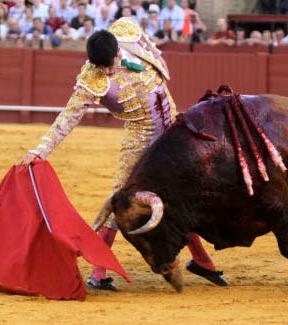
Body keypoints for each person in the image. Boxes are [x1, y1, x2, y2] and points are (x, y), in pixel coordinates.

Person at [21, 17, 227, 290]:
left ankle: (201, 261)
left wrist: (154, 56)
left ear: (118, 50)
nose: (106, 72)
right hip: (140, 139)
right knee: (119, 201)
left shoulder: (127, 31)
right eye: (101, 68)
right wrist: (40, 150)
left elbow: (153, 50)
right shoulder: (91, 79)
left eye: (109, 65)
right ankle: (98, 272)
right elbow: (67, 118)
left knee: (180, 195)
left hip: (172, 130)